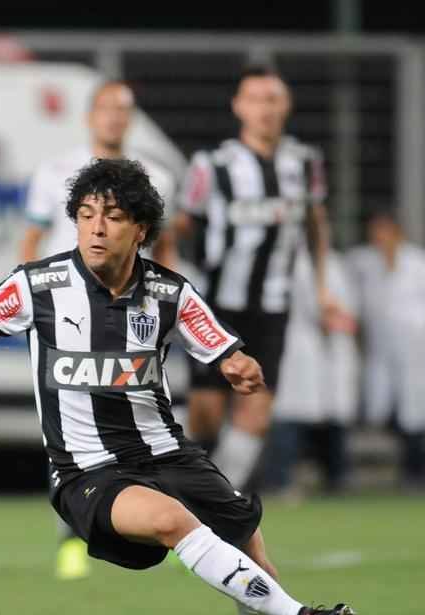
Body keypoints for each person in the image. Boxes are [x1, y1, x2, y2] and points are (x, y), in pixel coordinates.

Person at [0, 158, 358, 615]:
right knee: (170, 520)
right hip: (86, 472)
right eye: (86, 215)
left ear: (141, 230)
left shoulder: (168, 292)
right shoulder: (37, 286)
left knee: (258, 567)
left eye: (111, 217)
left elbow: (222, 348)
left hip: (167, 453)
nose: (96, 228)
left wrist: (238, 365)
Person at [21, 80, 181, 582]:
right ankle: (71, 537)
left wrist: (170, 310)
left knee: (142, 418)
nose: (114, 117)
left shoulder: (157, 176)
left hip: (133, 314)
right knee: (68, 427)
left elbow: (165, 250)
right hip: (66, 317)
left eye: (123, 109)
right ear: (89, 115)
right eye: (106, 108)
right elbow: (31, 240)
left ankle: (159, 520)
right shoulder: (55, 172)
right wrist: (31, 301)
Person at [171, 65, 342, 493]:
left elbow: (316, 223)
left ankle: (215, 501)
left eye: (273, 99)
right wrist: (170, 275)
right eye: (255, 99)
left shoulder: (305, 163)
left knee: (256, 412)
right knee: (206, 413)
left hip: (273, 305)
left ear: (286, 105)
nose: (264, 108)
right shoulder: (213, 165)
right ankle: (185, 482)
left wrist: (322, 288)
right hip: (215, 305)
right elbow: (179, 226)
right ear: (238, 106)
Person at [347, 210, 425, 490]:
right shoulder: (365, 264)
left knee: (419, 415)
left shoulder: (422, 264)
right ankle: (416, 468)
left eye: (384, 232)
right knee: (391, 413)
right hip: (384, 354)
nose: (379, 238)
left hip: (422, 353)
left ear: (397, 234)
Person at [263, 250, 359, 496]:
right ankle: (280, 479)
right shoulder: (291, 261)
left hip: (320, 349)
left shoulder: (330, 264)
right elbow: (327, 310)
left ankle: (334, 479)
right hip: (296, 346)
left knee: (325, 417)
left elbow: (345, 313)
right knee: (289, 416)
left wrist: (337, 318)